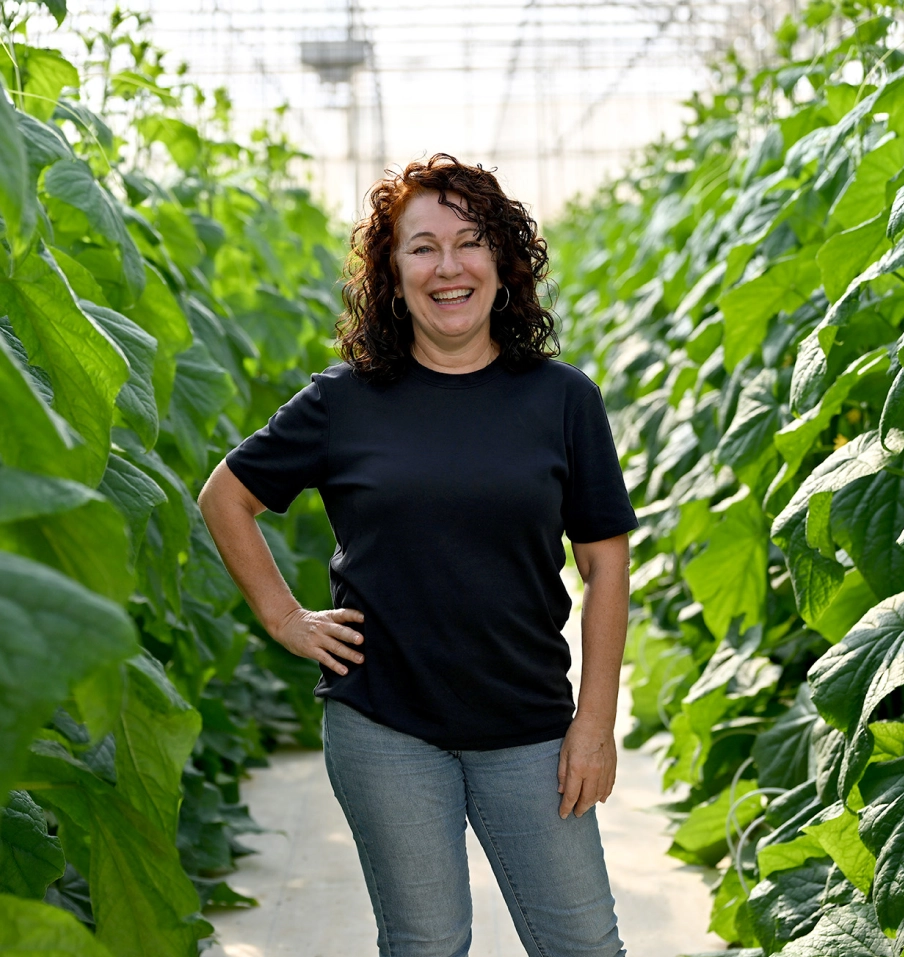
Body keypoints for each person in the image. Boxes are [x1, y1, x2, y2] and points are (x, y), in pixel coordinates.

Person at [198, 153, 638, 957]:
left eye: (470, 242)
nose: (448, 266)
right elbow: (226, 495)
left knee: (583, 942)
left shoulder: (561, 398)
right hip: (385, 725)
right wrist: (283, 616)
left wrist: (595, 724)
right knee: (425, 943)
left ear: (503, 264)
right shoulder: (342, 402)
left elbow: (605, 564)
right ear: (390, 273)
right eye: (421, 246)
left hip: (529, 726)